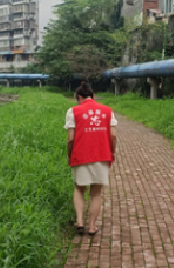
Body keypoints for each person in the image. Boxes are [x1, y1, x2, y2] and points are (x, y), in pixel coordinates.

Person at [64, 81, 117, 236]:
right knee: (96, 193)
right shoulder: (108, 111)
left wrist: (70, 155)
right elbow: (113, 135)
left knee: (79, 189)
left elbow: (70, 139)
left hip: (80, 155)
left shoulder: (73, 111)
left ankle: (80, 222)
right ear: (93, 96)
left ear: (78, 97)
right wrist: (111, 152)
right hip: (102, 155)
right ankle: (92, 227)